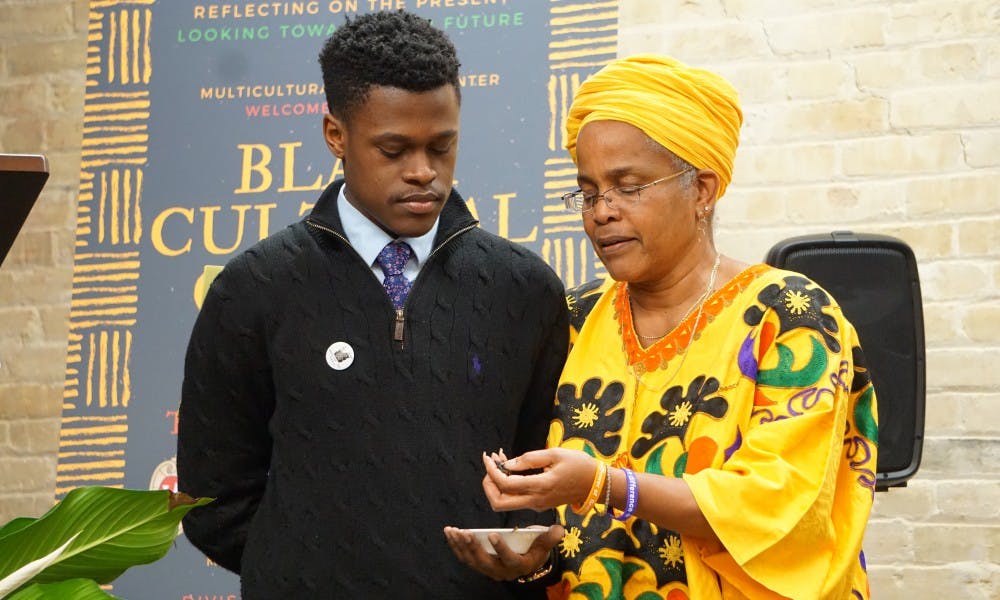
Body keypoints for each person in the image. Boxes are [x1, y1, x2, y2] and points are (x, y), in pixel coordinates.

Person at [445, 54, 879, 599]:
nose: (601, 212)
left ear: (702, 190)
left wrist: (604, 484)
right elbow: (557, 528)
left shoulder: (789, 317)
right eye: (588, 191)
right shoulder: (573, 320)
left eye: (628, 187)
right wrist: (526, 562)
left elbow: (779, 506)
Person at [177, 11, 569, 599]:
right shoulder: (254, 288)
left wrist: (521, 563)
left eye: (442, 147)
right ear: (335, 134)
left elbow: (550, 479)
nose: (423, 173)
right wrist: (302, 565)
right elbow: (212, 497)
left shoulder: (525, 289)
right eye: (393, 149)